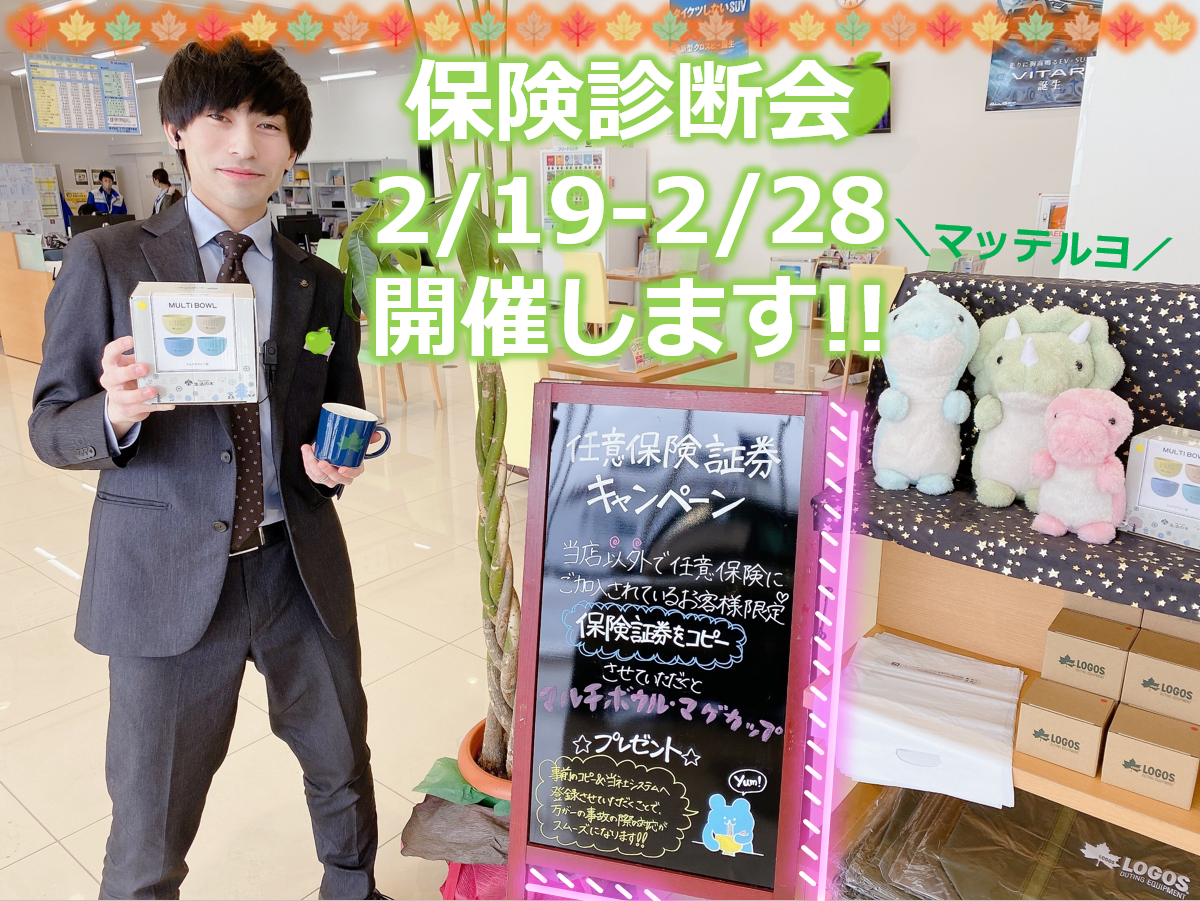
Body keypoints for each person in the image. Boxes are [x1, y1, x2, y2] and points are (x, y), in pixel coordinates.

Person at [29, 37, 385, 900]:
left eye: (268, 126)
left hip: (296, 564)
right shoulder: (109, 259)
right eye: (221, 119)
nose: (244, 145)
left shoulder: (318, 280)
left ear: (291, 149)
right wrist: (114, 412)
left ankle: (351, 886)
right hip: (166, 575)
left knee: (341, 759)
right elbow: (49, 427)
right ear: (177, 130)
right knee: (152, 814)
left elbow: (341, 403)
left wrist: (337, 459)